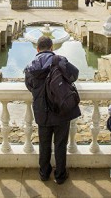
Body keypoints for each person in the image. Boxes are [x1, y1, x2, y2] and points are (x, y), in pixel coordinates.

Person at [24, 36, 81, 185]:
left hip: (42, 111)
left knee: (44, 144)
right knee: (60, 145)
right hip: (61, 110)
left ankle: (44, 173)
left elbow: (30, 86)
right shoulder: (60, 60)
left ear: (37, 49)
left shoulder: (30, 66)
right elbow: (74, 75)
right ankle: (60, 175)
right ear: (52, 48)